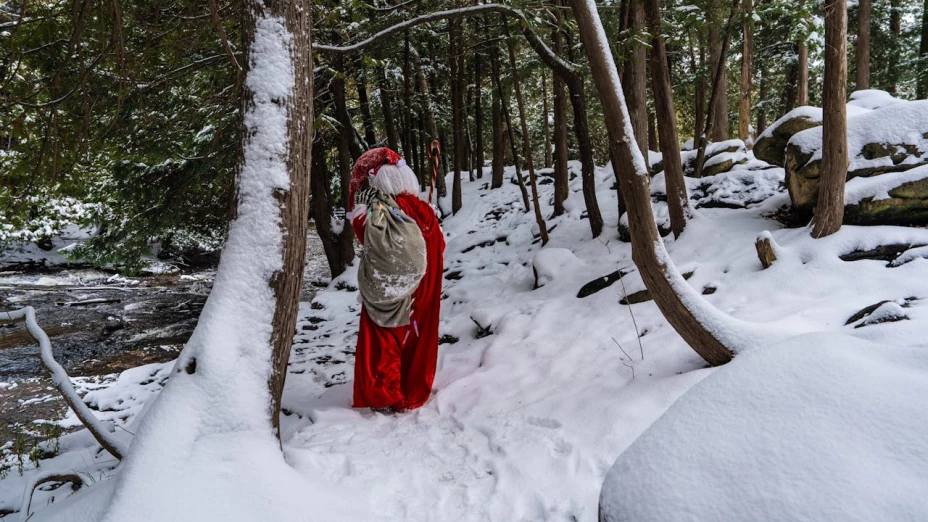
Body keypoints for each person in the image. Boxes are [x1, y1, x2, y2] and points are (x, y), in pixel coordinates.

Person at [348, 147, 445, 413]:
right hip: (425, 283)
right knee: (416, 334)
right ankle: (412, 386)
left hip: (394, 283)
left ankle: (385, 394)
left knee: (385, 334)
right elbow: (439, 246)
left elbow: (365, 235)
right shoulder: (425, 211)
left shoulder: (379, 210)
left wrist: (359, 210)